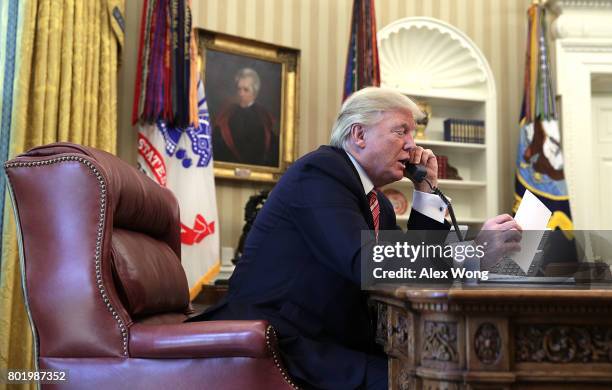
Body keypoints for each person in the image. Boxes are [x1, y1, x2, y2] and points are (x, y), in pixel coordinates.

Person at [191, 87, 521, 389]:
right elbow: (366, 264)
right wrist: (473, 254)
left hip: (329, 340)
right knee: (428, 381)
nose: (413, 145)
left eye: (414, 134)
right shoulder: (321, 173)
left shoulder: (378, 205)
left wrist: (425, 192)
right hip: (281, 341)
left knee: (446, 370)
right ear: (359, 134)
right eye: (400, 131)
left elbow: (409, 274)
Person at [212, 67, 279, 167]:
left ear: (255, 93)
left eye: (246, 90)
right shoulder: (227, 114)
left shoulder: (264, 117)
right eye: (239, 89)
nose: (241, 93)